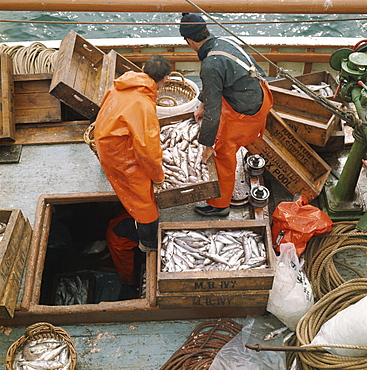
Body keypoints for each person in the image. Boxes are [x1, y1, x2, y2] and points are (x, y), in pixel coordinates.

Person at [179, 13, 274, 217]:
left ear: (189, 41)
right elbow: (216, 84)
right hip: (262, 95)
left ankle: (221, 206)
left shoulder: (210, 64)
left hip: (248, 113)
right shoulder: (224, 41)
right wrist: (202, 104)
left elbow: (214, 111)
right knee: (219, 133)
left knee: (222, 153)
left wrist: (207, 145)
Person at [94, 55, 172, 252]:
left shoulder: (120, 85)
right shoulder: (144, 106)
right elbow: (148, 151)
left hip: (104, 143)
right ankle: (147, 243)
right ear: (165, 79)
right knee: (145, 202)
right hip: (118, 156)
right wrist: (158, 176)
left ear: (143, 68)